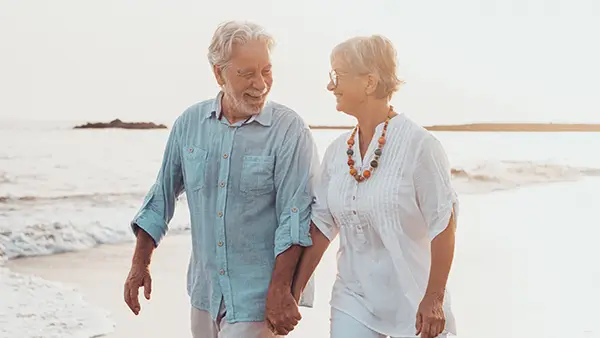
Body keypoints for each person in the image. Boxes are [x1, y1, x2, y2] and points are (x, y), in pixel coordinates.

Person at [123, 21, 319, 338]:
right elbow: (161, 197)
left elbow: (295, 217)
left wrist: (282, 289)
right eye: (247, 73)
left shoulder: (289, 131)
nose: (261, 84)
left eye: (266, 71)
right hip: (204, 294)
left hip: (259, 299)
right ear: (219, 73)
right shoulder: (189, 124)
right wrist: (139, 265)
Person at [290, 35, 459, 338]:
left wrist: (434, 299)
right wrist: (292, 294)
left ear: (369, 82)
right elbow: (322, 226)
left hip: (415, 304)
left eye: (337, 75)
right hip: (354, 301)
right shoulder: (337, 151)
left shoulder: (420, 146)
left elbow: (443, 223)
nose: (331, 86)